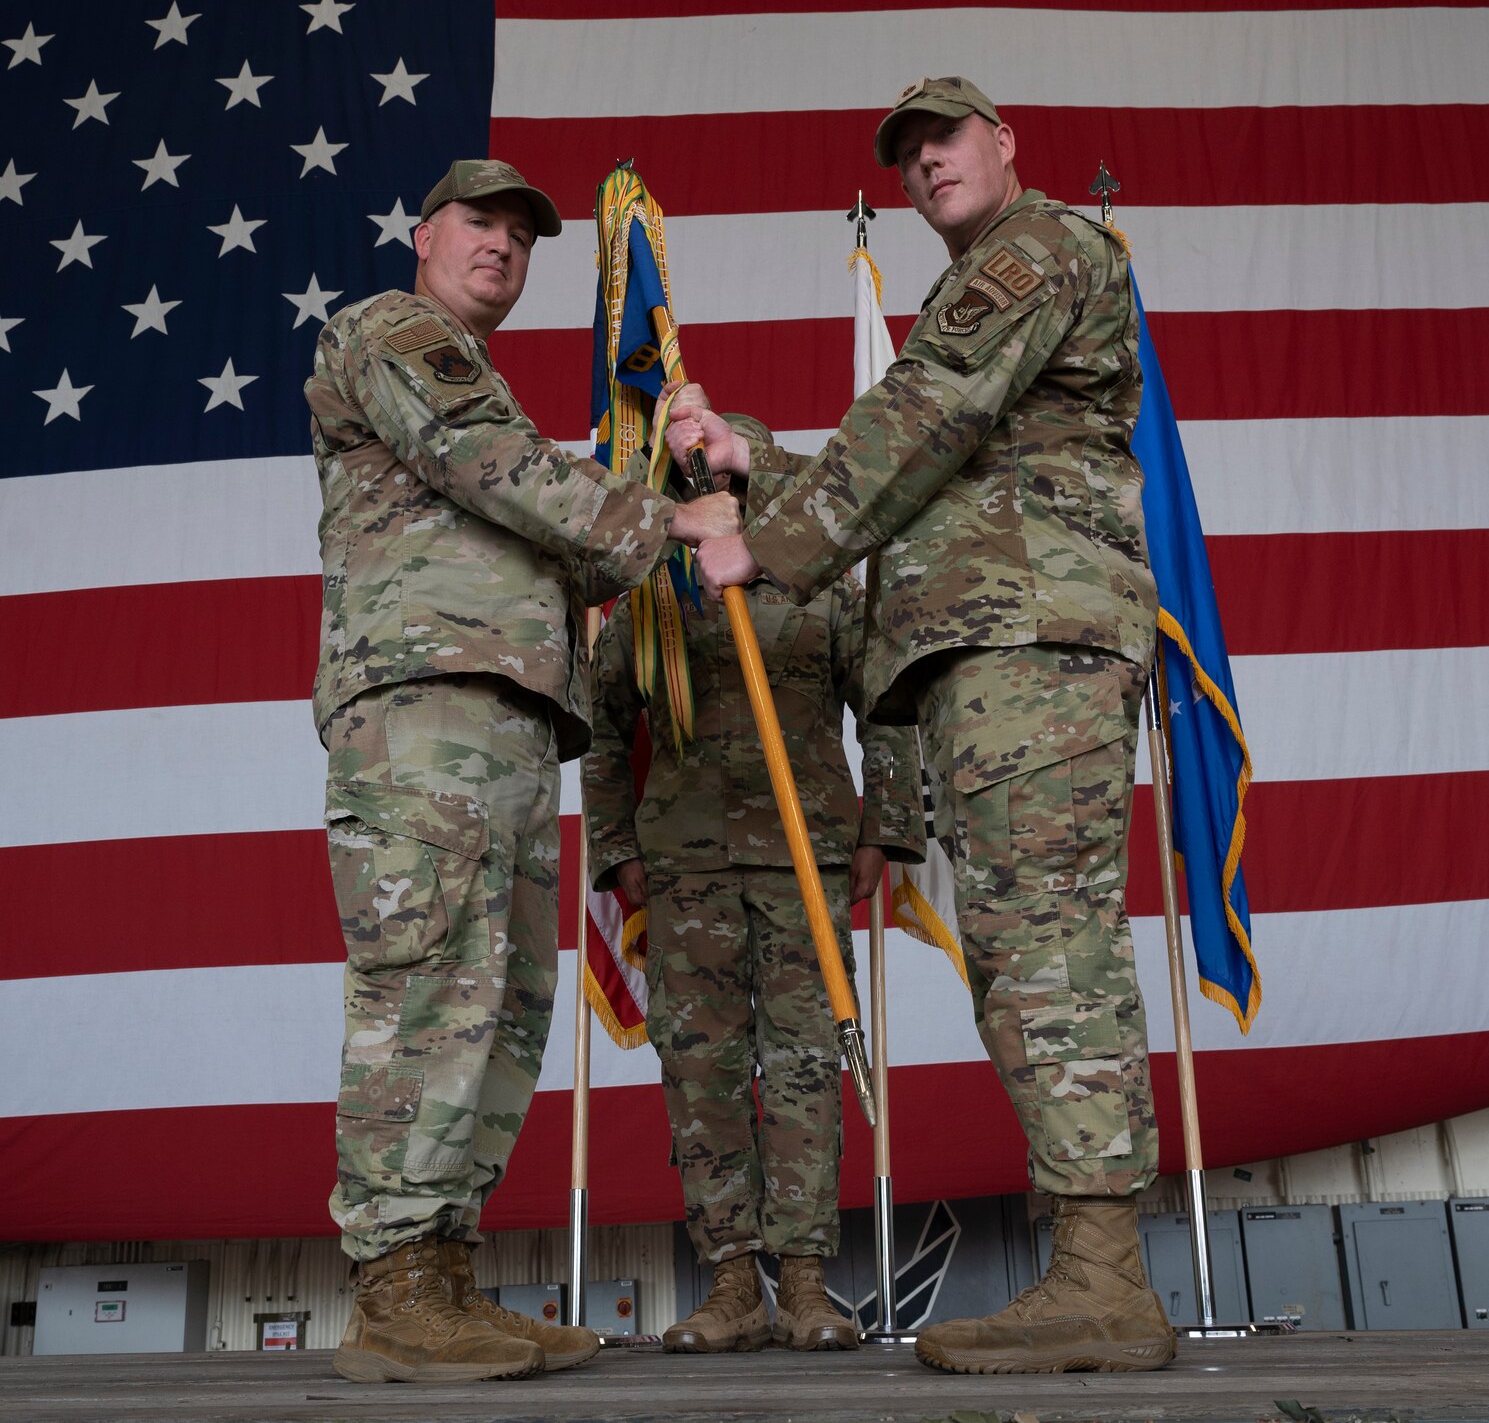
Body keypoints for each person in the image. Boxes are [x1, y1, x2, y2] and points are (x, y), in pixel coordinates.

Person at [666, 78, 1175, 1374]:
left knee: (1048, 945)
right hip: (994, 649)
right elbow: (937, 447)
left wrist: (761, 544)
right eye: (907, 154)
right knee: (1022, 948)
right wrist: (751, 462)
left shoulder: (1038, 248)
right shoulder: (980, 290)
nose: (926, 164)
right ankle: (1094, 1269)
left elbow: (919, 424)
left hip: (1031, 643)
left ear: (1007, 147)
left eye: (946, 139)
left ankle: (1106, 1279)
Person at [307, 158, 739, 1383]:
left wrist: (671, 482)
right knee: (431, 981)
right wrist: (672, 522)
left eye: (520, 233)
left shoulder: (481, 384)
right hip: (422, 712)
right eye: (478, 222)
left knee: (496, 999)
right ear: (423, 231)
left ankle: (439, 1276)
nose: (499, 244)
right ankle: (393, 1288)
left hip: (501, 716)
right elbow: (490, 465)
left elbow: (565, 557)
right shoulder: (397, 336)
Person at [582, 418, 925, 1354]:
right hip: (686, 864)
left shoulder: (821, 581)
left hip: (803, 857)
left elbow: (887, 705)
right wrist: (616, 847)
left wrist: (884, 826)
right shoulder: (653, 592)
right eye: (704, 479)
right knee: (704, 1074)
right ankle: (731, 1280)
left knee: (810, 1065)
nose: (724, 493)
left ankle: (808, 1281)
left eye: (734, 476)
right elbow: (603, 725)